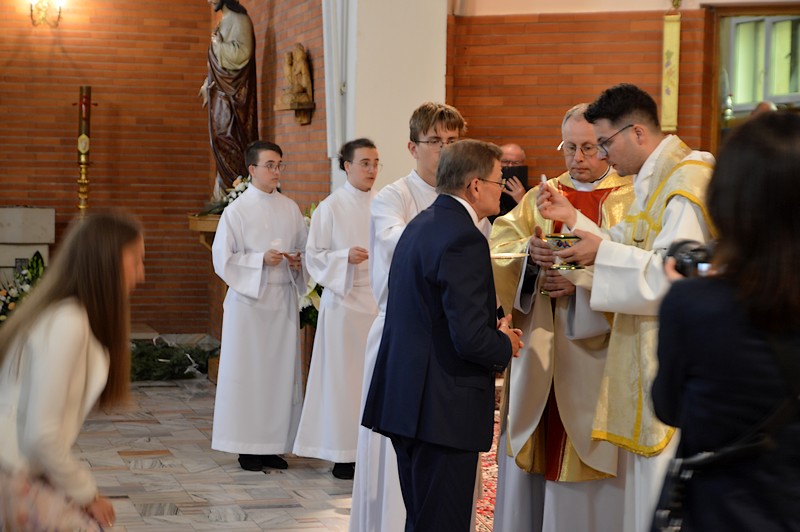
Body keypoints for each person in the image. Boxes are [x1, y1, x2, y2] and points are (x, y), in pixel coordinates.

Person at [536, 83, 715, 532]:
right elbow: (622, 243)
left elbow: (672, 277)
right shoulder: (655, 181)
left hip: (671, 359)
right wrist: (572, 224)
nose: (601, 155)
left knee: (661, 499)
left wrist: (597, 255)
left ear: (636, 132)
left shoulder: (687, 181)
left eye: (604, 143)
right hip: (643, 355)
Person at [362, 139, 522, 531]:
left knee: (422, 519)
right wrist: (506, 343)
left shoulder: (421, 224)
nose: (502, 190)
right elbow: (469, 339)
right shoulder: (464, 238)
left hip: (409, 402)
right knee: (442, 523)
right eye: (498, 180)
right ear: (475, 185)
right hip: (442, 411)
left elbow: (430, 312)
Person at [652, 111, 800, 531]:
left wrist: (687, 298)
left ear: (728, 199)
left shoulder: (694, 305)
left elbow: (669, 407)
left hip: (722, 511)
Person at [490, 104, 635, 532]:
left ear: (606, 145)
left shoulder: (630, 198)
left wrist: (582, 285)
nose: (578, 158)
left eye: (589, 147)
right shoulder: (541, 196)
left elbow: (638, 267)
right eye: (569, 147)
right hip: (541, 345)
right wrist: (528, 257)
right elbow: (501, 247)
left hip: (597, 354)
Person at [349, 101, 468, 532]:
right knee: (396, 456)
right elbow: (404, 249)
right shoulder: (393, 197)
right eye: (435, 140)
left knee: (444, 464)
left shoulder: (466, 197)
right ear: (412, 147)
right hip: (403, 337)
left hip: (451, 342)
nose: (445, 149)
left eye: (453, 141)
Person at [0, 211, 145, 531]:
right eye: (136, 260)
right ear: (107, 261)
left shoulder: (67, 315)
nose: (141, 273)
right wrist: (86, 494)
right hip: (10, 474)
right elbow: (42, 434)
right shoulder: (68, 321)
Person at [211, 140, 308, 472]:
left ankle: (272, 445)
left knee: (279, 377)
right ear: (252, 169)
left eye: (280, 165)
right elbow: (223, 259)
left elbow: (304, 250)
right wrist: (259, 260)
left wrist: (297, 262)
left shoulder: (290, 208)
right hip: (249, 305)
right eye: (270, 165)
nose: (276, 171)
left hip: (281, 302)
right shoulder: (237, 211)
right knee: (248, 376)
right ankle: (246, 447)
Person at [292, 139, 379, 480]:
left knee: (373, 380)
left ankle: (371, 451)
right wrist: (344, 257)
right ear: (347, 166)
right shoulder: (331, 207)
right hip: (344, 302)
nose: (371, 169)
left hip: (377, 302)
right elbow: (313, 257)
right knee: (344, 380)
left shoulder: (384, 204)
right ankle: (343, 454)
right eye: (365, 163)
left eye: (375, 163)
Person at [200, 0, 259, 197]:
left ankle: (234, 193)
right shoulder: (223, 21)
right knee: (220, 139)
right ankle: (225, 193)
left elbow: (243, 54)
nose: (209, 0)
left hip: (234, 96)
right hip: (220, 92)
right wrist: (209, 83)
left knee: (230, 139)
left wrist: (218, 44)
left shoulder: (240, 20)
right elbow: (218, 64)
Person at [497, 143, 528, 216]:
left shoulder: (530, 193)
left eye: (515, 163)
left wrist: (522, 200)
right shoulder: (487, 187)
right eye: (505, 162)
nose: (510, 166)